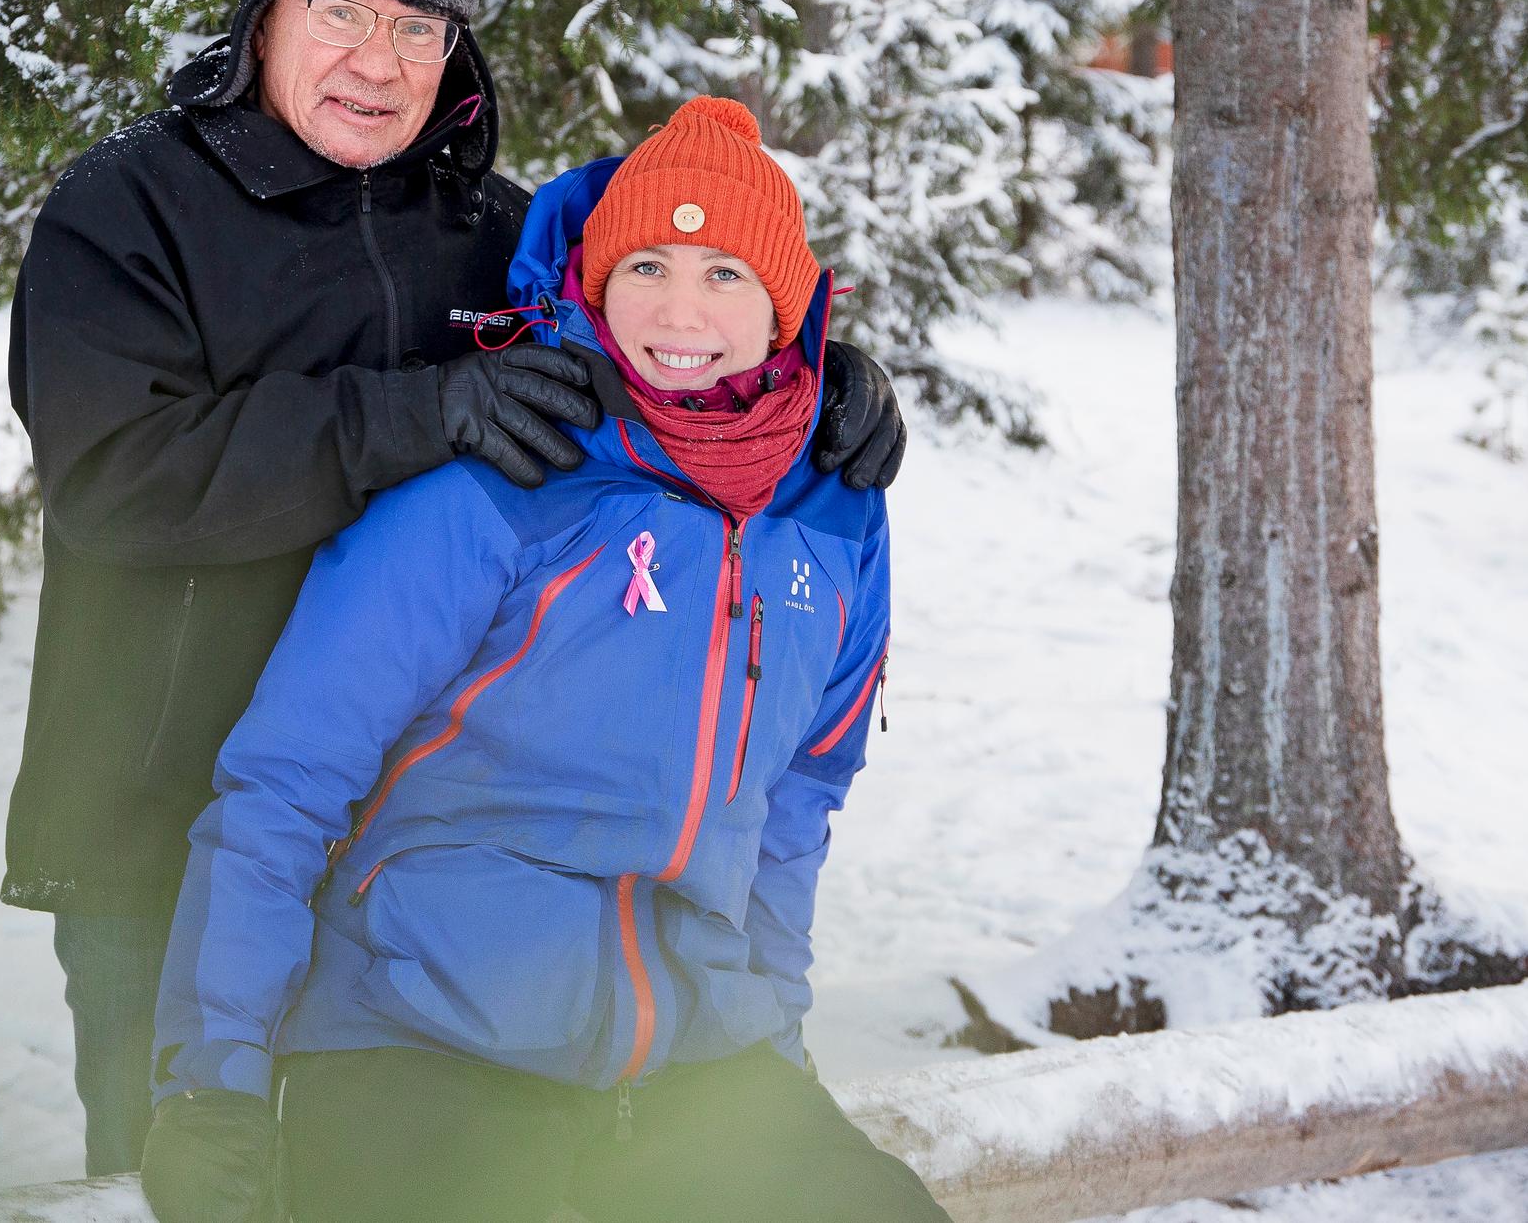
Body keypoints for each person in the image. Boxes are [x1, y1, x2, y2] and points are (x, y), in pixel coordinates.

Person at [5, 0, 913, 1178]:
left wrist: (816, 369)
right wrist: (422, 412)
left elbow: (663, 301)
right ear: (265, 15)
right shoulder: (129, 210)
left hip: (434, 850)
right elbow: (117, 476)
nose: (378, 58)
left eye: (417, 27)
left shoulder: (489, 229)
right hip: (170, 807)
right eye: (340, 11)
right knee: (200, 1181)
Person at [142, 96, 951, 1223]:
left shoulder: (832, 516)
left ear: (782, 305)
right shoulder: (501, 476)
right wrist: (212, 1082)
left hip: (690, 1053)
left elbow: (795, 802)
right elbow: (287, 776)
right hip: (418, 1034)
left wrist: (774, 1042)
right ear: (592, 283)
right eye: (648, 266)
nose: (679, 308)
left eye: (725, 273)